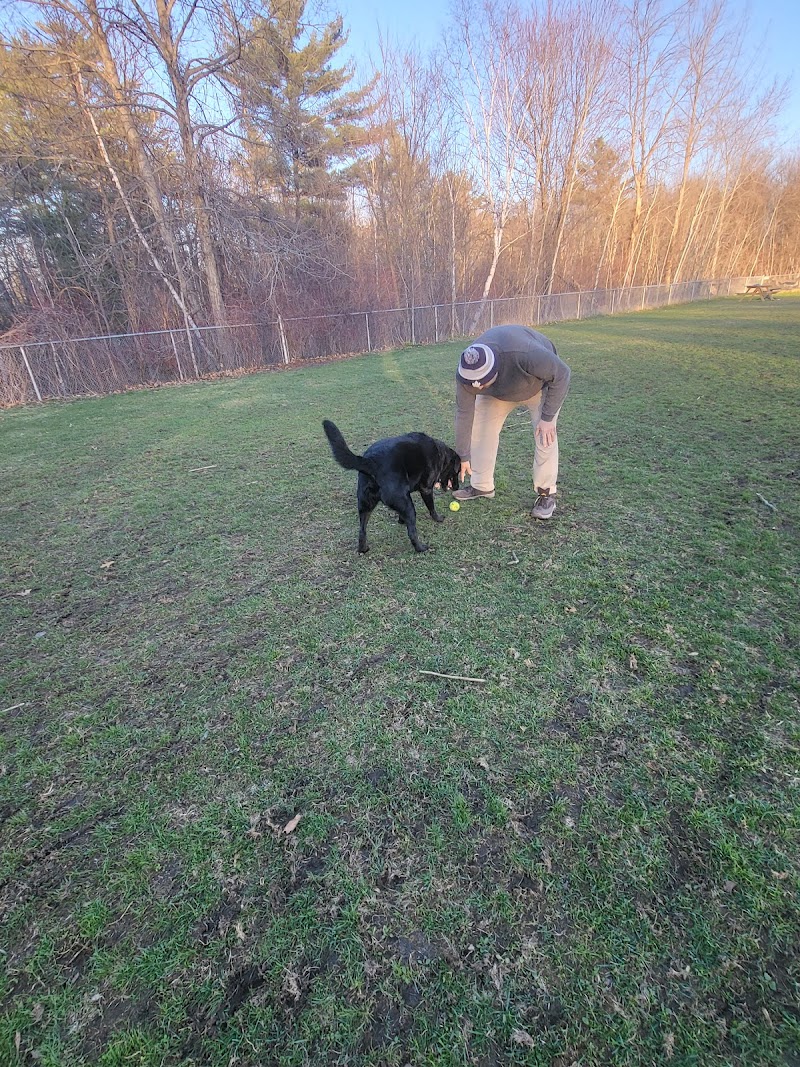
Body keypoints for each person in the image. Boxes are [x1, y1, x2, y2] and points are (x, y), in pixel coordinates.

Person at [452, 324, 571, 519]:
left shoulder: (525, 353)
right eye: (473, 384)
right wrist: (462, 455)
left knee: (545, 436)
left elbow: (562, 373)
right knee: (480, 430)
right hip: (497, 395)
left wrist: (548, 418)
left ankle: (546, 493)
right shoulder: (466, 374)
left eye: (482, 382)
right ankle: (481, 486)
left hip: (537, 386)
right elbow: (464, 413)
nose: (477, 387)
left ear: (494, 371)